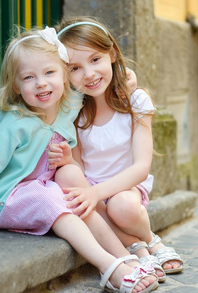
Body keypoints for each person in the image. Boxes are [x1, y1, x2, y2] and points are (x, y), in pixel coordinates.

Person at [0, 27, 159, 293]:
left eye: (49, 73)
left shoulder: (67, 108)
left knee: (74, 194)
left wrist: (126, 79)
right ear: (16, 86)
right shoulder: (15, 124)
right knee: (57, 202)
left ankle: (124, 257)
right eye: (29, 77)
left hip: (44, 188)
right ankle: (109, 267)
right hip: (11, 199)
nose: (41, 83)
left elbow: (92, 84)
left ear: (64, 77)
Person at [48, 17, 184, 282]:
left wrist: (95, 192)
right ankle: (140, 249)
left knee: (120, 207)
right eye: (75, 67)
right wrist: (69, 162)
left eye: (95, 59)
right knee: (80, 198)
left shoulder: (136, 101)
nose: (88, 74)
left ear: (112, 53)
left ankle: (148, 238)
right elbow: (80, 169)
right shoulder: (73, 114)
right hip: (93, 191)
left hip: (127, 188)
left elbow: (141, 168)